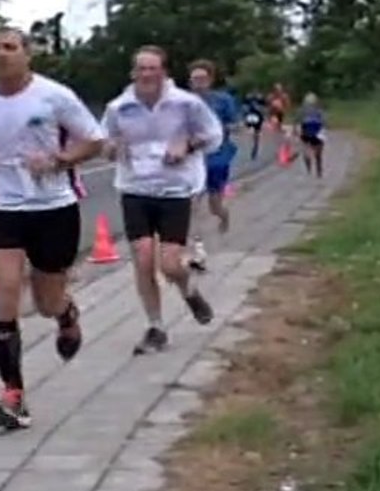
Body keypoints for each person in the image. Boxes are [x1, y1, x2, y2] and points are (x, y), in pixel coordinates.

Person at [0, 25, 104, 431]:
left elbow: (93, 141)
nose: (1, 55)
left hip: (53, 206)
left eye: (9, 47)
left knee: (45, 301)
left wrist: (59, 160)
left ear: (27, 54)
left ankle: (66, 313)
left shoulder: (55, 95)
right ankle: (13, 394)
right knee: (4, 290)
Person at [102, 45, 222, 355]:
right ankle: (156, 327)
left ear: (163, 72)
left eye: (152, 68)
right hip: (135, 188)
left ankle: (189, 291)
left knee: (170, 264)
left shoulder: (186, 104)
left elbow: (214, 136)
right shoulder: (119, 108)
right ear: (133, 73)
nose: (146, 75)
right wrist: (112, 148)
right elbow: (104, 141)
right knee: (142, 259)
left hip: (175, 189)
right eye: (140, 69)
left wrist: (188, 143)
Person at [187, 59, 239, 272]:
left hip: (217, 158)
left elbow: (234, 124)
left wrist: (218, 131)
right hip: (192, 160)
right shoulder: (184, 102)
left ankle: (223, 216)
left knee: (214, 204)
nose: (199, 83)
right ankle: (198, 251)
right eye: (195, 79)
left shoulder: (222, 100)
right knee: (192, 205)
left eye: (203, 79)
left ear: (210, 80)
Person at [296, 92, 326, 178]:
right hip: (316, 131)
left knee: (306, 150)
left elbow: (297, 120)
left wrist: (295, 130)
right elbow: (324, 121)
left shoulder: (302, 110)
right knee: (318, 153)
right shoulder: (319, 110)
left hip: (306, 131)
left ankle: (309, 167)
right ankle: (318, 169)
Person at [241, 89, 266, 160]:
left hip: (257, 115)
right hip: (250, 115)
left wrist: (261, 112)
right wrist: (244, 114)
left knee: (256, 133)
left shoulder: (260, 97)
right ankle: (252, 146)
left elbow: (264, 107)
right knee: (250, 132)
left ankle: (255, 146)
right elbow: (243, 107)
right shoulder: (248, 97)